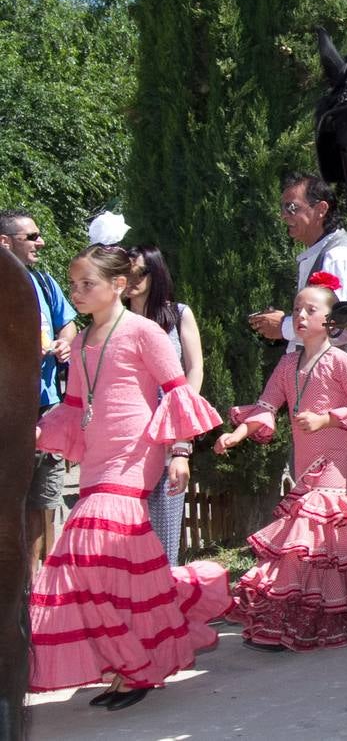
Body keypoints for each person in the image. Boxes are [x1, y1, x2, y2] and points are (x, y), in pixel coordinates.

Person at [30, 244, 228, 710]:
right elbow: (76, 406)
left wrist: (180, 450)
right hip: (99, 457)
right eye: (74, 284)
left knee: (87, 552)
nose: (76, 292)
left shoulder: (144, 332)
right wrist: (35, 431)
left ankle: (136, 666)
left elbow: (177, 391)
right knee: (115, 570)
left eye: (86, 284)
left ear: (118, 285)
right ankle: (129, 664)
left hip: (136, 452)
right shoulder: (79, 343)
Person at [216, 272, 347, 651]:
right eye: (296, 309)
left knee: (312, 535)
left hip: (334, 461)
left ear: (330, 321)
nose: (299, 315)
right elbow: (266, 407)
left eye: (310, 309)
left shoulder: (341, 363)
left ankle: (308, 619)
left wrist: (326, 418)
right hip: (304, 463)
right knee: (323, 546)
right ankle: (326, 612)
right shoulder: (287, 365)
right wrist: (238, 434)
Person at [0, 209, 77, 578]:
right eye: (31, 237)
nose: (40, 243)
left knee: (39, 504)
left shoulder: (44, 283)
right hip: (6, 415)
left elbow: (69, 325)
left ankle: (31, 586)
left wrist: (64, 343)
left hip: (46, 410)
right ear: (5, 242)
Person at [124, 244, 203, 567]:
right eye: (123, 272)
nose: (130, 279)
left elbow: (195, 368)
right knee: (129, 526)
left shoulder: (179, 314)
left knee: (167, 524)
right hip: (129, 434)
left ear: (155, 273)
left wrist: (183, 421)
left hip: (170, 425)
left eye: (138, 272)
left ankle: (166, 601)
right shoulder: (115, 320)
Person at [249, 173, 347, 374]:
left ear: (321, 209)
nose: (284, 215)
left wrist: (284, 327)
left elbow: (346, 326)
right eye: (283, 208)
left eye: (292, 207)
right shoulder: (322, 251)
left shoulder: (338, 255)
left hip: (337, 383)